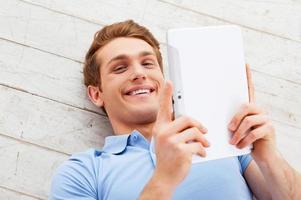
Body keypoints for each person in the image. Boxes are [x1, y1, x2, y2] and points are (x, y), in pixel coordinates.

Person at [49, 20, 301, 200]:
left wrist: (268, 157)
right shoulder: (82, 172)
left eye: (148, 63)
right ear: (96, 94)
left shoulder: (222, 139)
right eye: (120, 68)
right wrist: (164, 178)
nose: (139, 73)